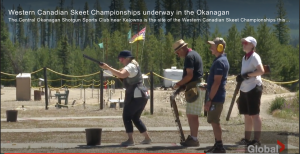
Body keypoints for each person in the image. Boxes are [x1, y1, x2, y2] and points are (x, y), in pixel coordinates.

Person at [99, 50, 152, 146]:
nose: (120, 60)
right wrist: (108, 68)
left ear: (127, 58)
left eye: (121, 58)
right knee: (135, 118)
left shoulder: (130, 66)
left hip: (136, 96)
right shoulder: (132, 66)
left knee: (127, 116)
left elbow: (122, 75)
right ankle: (147, 138)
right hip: (140, 95)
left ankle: (130, 140)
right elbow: (120, 73)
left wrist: (107, 67)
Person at [172, 39, 204, 147]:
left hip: (194, 87)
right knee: (191, 114)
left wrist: (178, 84)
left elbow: (189, 75)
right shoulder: (193, 54)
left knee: (192, 115)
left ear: (181, 49)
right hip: (194, 86)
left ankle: (194, 138)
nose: (178, 54)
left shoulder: (189, 57)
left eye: (177, 52)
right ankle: (193, 137)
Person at [200, 37, 229, 153]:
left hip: (215, 97)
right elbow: (216, 81)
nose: (210, 48)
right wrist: (208, 85)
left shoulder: (219, 62)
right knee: (213, 121)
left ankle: (219, 146)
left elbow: (217, 82)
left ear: (220, 47)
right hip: (216, 96)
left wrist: (209, 99)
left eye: (213, 45)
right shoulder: (221, 60)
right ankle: (218, 144)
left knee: (215, 122)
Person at [236, 36, 265, 146]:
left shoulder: (254, 56)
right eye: (243, 42)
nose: (244, 44)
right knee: (247, 115)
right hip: (245, 88)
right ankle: (247, 139)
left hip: (254, 87)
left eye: (246, 43)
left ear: (252, 45)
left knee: (254, 115)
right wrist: (242, 77)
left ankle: (257, 140)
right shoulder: (245, 58)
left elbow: (261, 71)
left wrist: (247, 75)